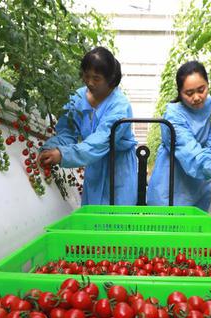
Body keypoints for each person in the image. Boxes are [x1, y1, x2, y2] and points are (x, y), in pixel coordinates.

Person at [39, 47, 138, 205]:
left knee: (117, 218)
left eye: (96, 78)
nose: (90, 82)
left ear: (110, 78)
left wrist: (63, 155)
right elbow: (67, 132)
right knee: (93, 216)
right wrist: (52, 148)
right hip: (94, 166)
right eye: (86, 76)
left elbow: (100, 142)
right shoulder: (77, 98)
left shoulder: (120, 106)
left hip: (118, 169)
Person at [147, 61, 211, 211]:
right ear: (180, 92)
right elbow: (188, 150)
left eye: (201, 90)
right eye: (189, 93)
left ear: (208, 85)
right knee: (168, 226)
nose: (197, 97)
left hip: (198, 184)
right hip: (171, 184)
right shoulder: (173, 115)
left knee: (194, 227)